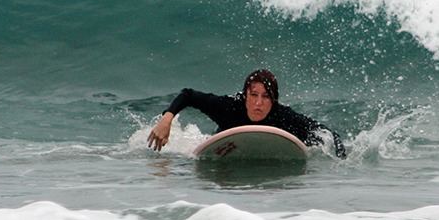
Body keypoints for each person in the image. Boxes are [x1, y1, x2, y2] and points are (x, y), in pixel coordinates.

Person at [147, 69, 347, 158]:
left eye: (266, 97)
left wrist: (338, 157)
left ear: (274, 100)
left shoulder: (282, 116)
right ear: (245, 96)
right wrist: (166, 119)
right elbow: (188, 95)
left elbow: (326, 133)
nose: (258, 103)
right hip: (225, 151)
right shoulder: (230, 106)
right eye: (253, 95)